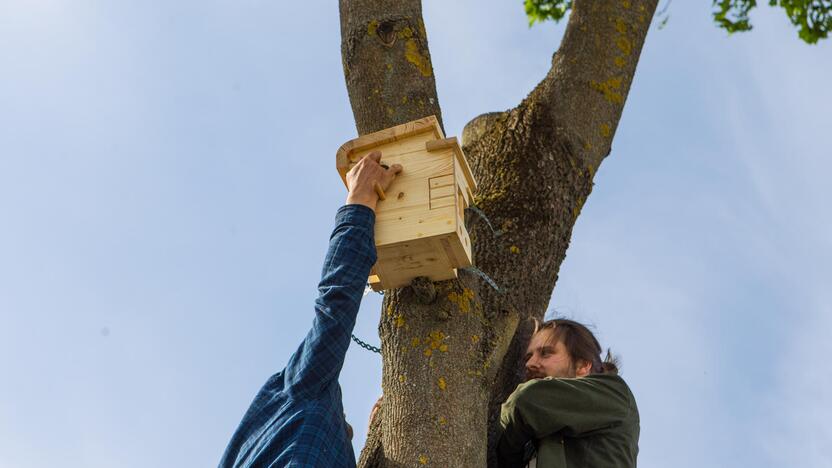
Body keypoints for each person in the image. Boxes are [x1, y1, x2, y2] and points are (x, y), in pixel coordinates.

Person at [219, 151, 402, 468]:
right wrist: (358, 203)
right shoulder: (302, 398)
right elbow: (335, 305)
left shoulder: (301, 395)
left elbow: (335, 308)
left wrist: (359, 204)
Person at [497, 319, 640, 468]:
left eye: (545, 353)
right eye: (528, 357)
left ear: (583, 365)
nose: (529, 364)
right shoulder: (541, 435)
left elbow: (526, 401)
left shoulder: (616, 395)